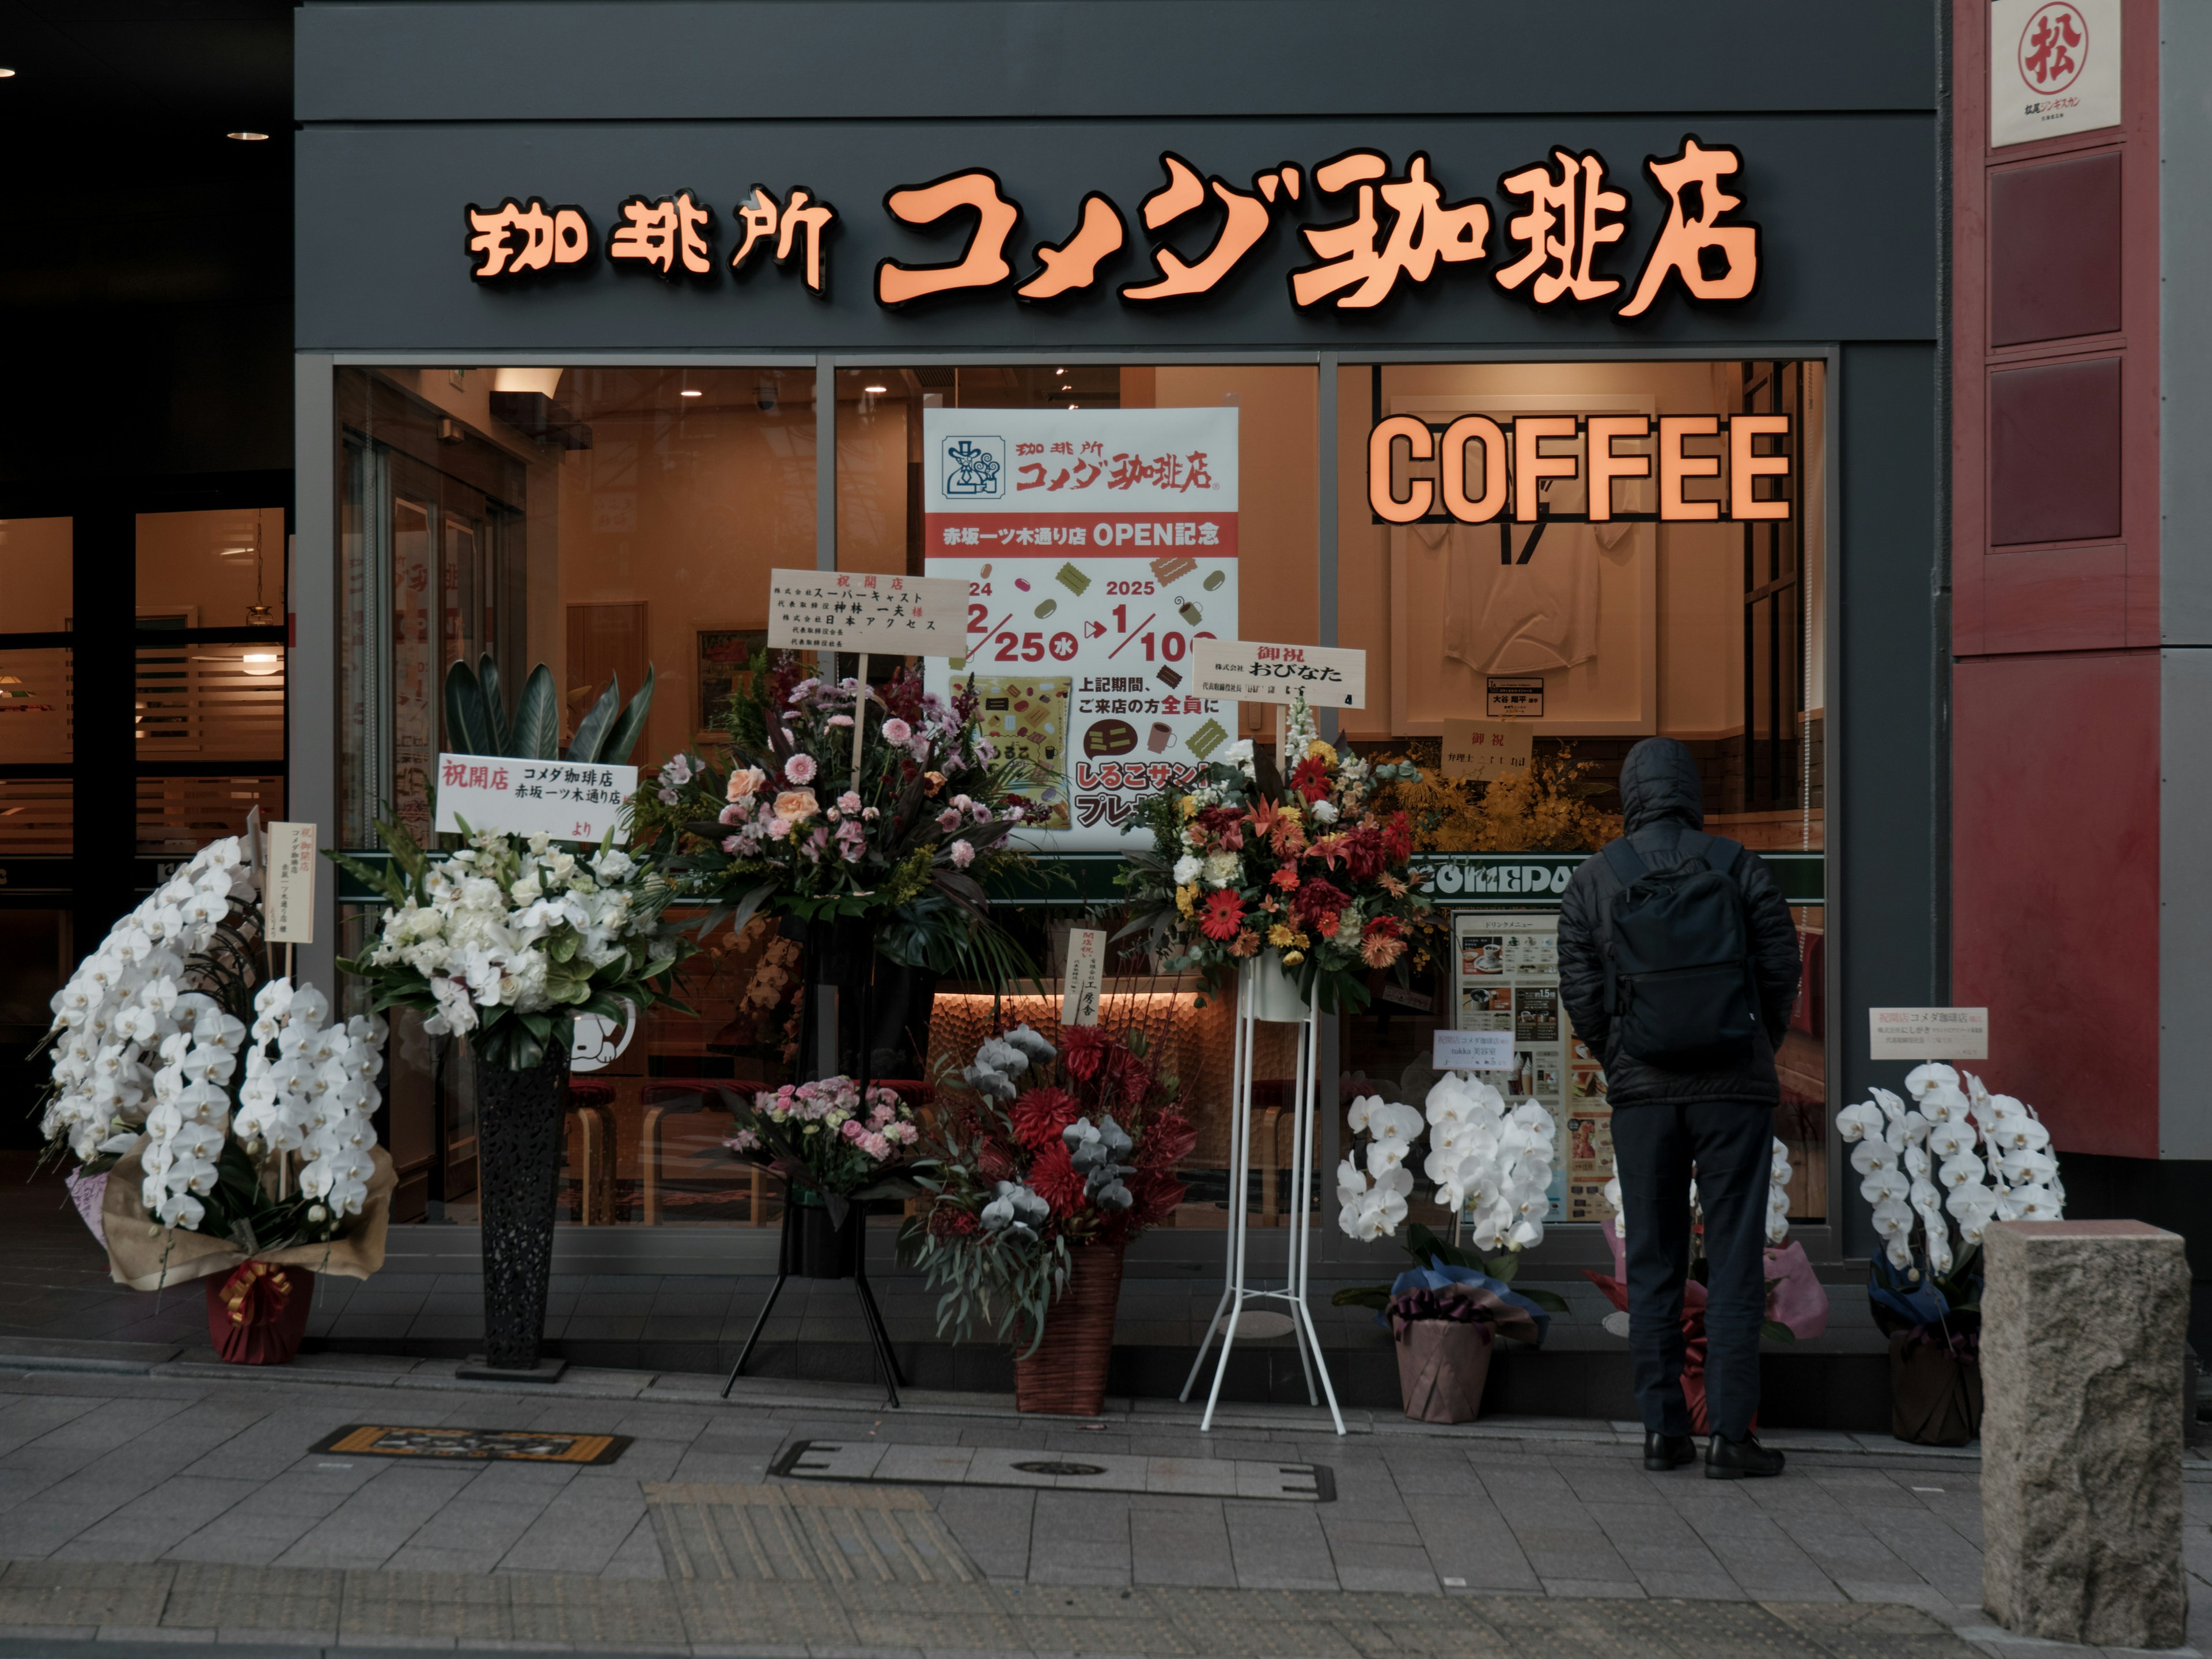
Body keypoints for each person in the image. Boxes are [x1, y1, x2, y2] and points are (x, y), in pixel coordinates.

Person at [1557, 737, 1803, 1479]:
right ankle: (1731, 1438)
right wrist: (1753, 1042)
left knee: (1654, 1260)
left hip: (1645, 1097)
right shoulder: (1739, 865)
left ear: (1630, 795)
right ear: (1691, 792)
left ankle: (1664, 1432)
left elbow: (1581, 994)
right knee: (1732, 1260)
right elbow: (1781, 971)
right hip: (1735, 1092)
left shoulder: (1597, 878)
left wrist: (1624, 1056)